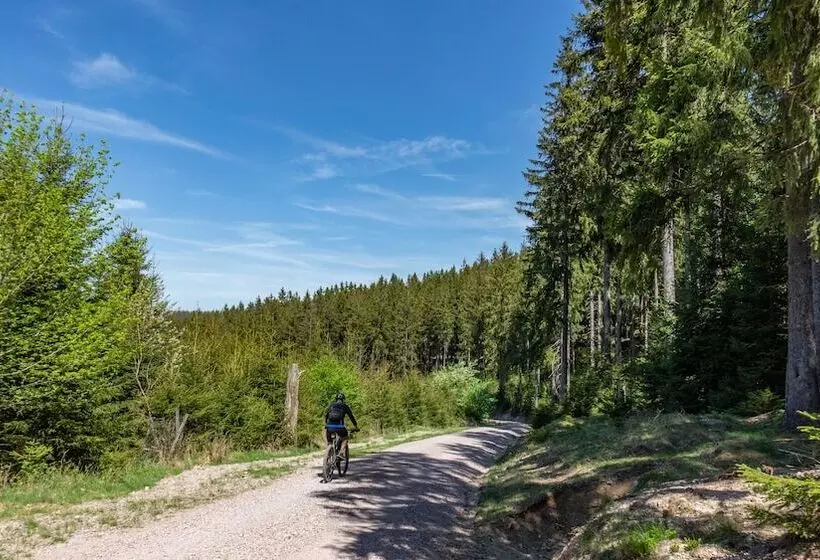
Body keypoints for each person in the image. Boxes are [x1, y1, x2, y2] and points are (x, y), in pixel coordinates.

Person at [324, 392, 358, 458]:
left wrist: (326, 424)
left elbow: (326, 415)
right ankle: (341, 453)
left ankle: (328, 455)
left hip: (329, 427)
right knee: (345, 437)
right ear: (343, 399)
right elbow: (351, 416)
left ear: (336, 399)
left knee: (330, 442)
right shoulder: (345, 406)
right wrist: (355, 426)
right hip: (340, 427)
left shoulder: (331, 405)